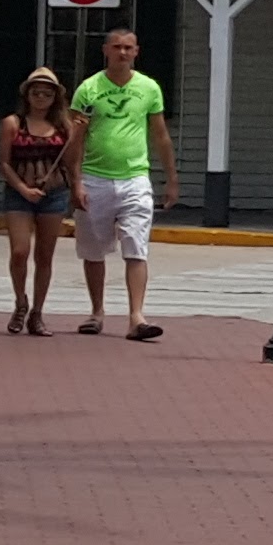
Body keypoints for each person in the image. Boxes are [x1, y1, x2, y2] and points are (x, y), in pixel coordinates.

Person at [67, 29, 173, 340]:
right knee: (93, 249)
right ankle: (96, 311)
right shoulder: (89, 89)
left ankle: (136, 316)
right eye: (117, 47)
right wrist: (76, 182)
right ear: (106, 51)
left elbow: (160, 135)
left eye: (128, 48)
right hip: (94, 176)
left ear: (136, 52)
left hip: (135, 177)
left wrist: (171, 179)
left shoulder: (149, 87)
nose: (122, 53)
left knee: (136, 247)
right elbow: (75, 140)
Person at [0, 70, 79, 338]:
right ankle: (21, 300)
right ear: (27, 95)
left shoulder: (65, 126)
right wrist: (23, 188)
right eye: (36, 92)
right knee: (20, 250)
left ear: (55, 97)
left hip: (53, 193)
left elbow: (72, 160)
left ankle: (38, 312)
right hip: (19, 192)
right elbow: (4, 163)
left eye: (47, 93)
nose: (41, 97)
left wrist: (80, 131)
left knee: (45, 255)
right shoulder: (13, 123)